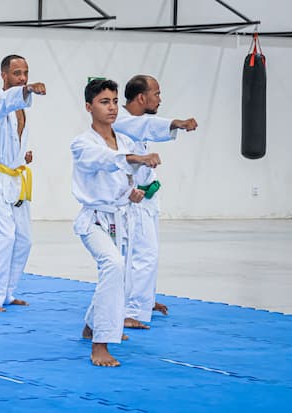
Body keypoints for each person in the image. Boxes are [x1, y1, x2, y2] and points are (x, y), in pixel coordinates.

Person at [71, 79, 161, 367]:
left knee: (117, 273)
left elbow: (124, 179)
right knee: (114, 265)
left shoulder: (123, 140)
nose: (111, 107)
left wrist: (132, 193)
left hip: (119, 219)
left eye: (113, 101)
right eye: (103, 102)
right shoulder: (82, 143)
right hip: (94, 221)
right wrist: (137, 158)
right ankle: (100, 343)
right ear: (89, 107)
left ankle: (89, 325)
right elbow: (105, 160)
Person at [112, 75, 198, 329]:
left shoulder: (135, 121)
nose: (160, 99)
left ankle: (143, 300)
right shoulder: (123, 120)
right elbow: (147, 126)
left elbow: (146, 125)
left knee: (146, 254)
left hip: (147, 197)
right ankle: (132, 311)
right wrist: (177, 123)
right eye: (157, 94)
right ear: (141, 97)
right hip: (133, 199)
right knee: (141, 255)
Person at [0, 54, 46, 312]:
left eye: (25, 73)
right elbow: (5, 102)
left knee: (23, 239)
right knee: (2, 237)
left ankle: (6, 292)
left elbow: (12, 140)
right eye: (17, 73)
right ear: (3, 75)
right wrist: (27, 89)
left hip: (16, 178)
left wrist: (22, 155)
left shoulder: (21, 109)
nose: (23, 78)